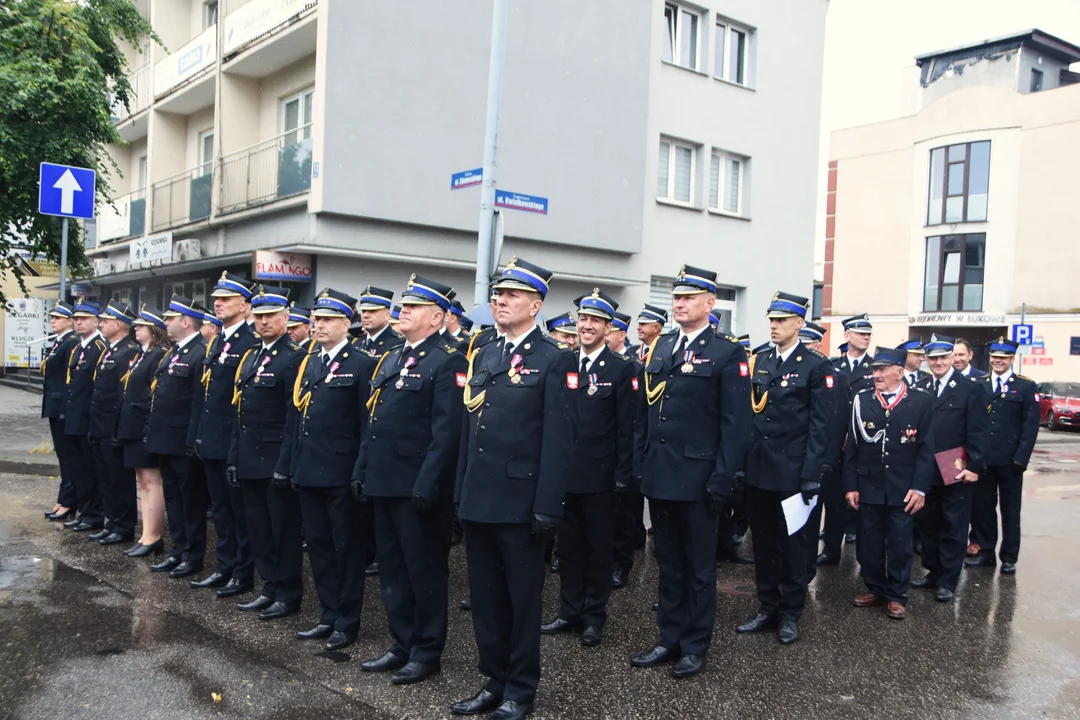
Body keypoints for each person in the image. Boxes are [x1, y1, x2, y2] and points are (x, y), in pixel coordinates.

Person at [452, 257, 576, 720]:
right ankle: (493, 680)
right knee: (485, 599)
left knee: (521, 603)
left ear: (536, 305)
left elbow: (560, 440)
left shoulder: (554, 358)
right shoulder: (485, 353)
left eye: (513, 295)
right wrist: (460, 494)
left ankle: (519, 690)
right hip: (480, 498)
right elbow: (470, 430)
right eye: (498, 294)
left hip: (522, 503)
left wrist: (548, 505)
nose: (500, 301)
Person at [631, 265, 750, 677]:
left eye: (688, 298)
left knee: (699, 569)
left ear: (709, 303)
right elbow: (648, 415)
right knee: (668, 563)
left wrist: (722, 479)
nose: (679, 304)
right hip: (661, 475)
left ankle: (695, 645)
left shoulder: (727, 352)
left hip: (700, 481)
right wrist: (641, 466)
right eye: (676, 298)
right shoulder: (661, 348)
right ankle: (668, 638)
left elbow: (736, 426)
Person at [356, 275, 467, 685]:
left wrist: (428, 484)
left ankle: (425, 651)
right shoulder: (391, 358)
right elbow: (375, 422)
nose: (404, 310)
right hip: (385, 482)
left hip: (419, 489)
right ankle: (400, 643)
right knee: (393, 571)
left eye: (415, 306)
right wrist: (362, 470)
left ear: (437, 317)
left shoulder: (447, 359)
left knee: (424, 572)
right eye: (404, 304)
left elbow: (447, 433)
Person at [736, 292, 833, 645]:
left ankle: (791, 612)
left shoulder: (815, 366)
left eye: (781, 320)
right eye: (771, 320)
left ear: (798, 324)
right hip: (760, 470)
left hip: (793, 473)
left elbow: (821, 425)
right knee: (762, 542)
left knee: (794, 545)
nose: (774, 326)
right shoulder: (761, 361)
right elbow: (751, 416)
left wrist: (812, 472)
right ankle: (767, 606)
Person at [541, 289, 635, 648]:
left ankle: (593, 617)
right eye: (582, 318)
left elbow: (627, 428)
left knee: (598, 551)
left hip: (601, 478)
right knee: (568, 549)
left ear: (608, 327)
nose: (586, 325)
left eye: (595, 320)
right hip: (565, 476)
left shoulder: (621, 369)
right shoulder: (561, 363)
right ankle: (568, 611)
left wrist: (624, 476)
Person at [286, 288, 378, 650]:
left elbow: (364, 423)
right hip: (310, 469)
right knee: (320, 546)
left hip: (340, 471)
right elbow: (299, 419)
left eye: (326, 320)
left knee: (346, 548)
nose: (318, 325)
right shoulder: (311, 362)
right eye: (315, 319)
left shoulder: (361, 363)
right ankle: (327, 613)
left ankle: (347, 620)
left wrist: (359, 470)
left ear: (345, 323)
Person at [226, 286, 307, 617]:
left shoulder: (295, 357)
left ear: (285, 317)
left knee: (283, 531)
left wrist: (285, 464)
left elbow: (294, 416)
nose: (263, 322)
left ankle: (288, 592)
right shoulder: (252, 356)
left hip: (275, 459)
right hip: (249, 457)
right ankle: (269, 585)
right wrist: (233, 457)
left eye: (270, 315)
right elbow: (240, 412)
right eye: (258, 316)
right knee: (258, 528)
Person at [845, 347, 934, 621]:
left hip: (902, 488)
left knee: (900, 545)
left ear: (900, 371)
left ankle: (897, 595)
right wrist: (851, 485)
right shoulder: (862, 401)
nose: (877, 375)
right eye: (875, 370)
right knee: (868, 544)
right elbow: (853, 448)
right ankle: (875, 588)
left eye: (883, 370)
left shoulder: (920, 401)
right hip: (869, 485)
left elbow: (925, 449)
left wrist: (919, 488)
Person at [190, 273, 260, 595]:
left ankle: (242, 574)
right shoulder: (218, 340)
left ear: (244, 305)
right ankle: (224, 566)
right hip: (212, 440)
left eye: (227, 298)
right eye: (216, 298)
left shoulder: (251, 342)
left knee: (239, 514)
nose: (218, 302)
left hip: (234, 442)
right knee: (220, 511)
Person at [910, 335, 987, 602]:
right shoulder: (920, 386)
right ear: (927, 361)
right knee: (928, 524)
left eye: (944, 357)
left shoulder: (970, 387)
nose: (938, 362)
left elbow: (978, 430)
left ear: (953, 358)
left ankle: (948, 581)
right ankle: (933, 572)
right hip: (925, 467)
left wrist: (975, 465)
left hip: (955, 464)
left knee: (953, 525)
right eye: (933, 358)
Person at [145, 295, 209, 578]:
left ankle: (192, 556)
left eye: (170, 318)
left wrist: (191, 440)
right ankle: (178, 550)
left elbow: (198, 401)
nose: (166, 323)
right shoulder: (175, 351)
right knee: (173, 498)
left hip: (183, 441)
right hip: (165, 439)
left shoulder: (200, 352)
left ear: (186, 321)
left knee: (190, 501)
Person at [965, 337, 1039, 575]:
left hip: (1010, 460)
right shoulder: (979, 383)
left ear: (1011, 359)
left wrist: (1021, 459)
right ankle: (986, 552)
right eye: (995, 357)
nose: (997, 361)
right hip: (983, 460)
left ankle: (1009, 556)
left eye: (1003, 358)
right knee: (983, 509)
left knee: (1010, 510)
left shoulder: (1025, 386)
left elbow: (1030, 426)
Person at [116, 306, 171, 557]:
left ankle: (153, 536)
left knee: (151, 481)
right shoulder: (142, 353)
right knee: (142, 479)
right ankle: (146, 533)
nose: (135, 328)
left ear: (154, 329)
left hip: (143, 424)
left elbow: (153, 392)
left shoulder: (158, 354)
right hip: (133, 423)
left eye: (141, 325)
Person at [796, 321, 848, 581]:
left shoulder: (832, 375)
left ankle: (805, 570)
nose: (804, 348)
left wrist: (827, 459)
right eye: (801, 342)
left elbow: (834, 421)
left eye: (809, 343)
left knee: (812, 516)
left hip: (819, 460)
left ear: (818, 345)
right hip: (793, 458)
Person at [86, 301, 141, 546]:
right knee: (105, 477)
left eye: (105, 321)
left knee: (118, 478)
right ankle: (112, 522)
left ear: (118, 324)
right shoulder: (110, 349)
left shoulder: (128, 351)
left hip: (112, 425)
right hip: (99, 424)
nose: (101, 324)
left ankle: (124, 525)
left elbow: (123, 393)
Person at [821, 313, 875, 558]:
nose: (866, 337)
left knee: (861, 501)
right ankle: (831, 550)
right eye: (860, 332)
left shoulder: (875, 368)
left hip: (864, 445)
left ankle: (865, 558)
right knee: (833, 500)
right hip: (836, 445)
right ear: (846, 336)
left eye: (868, 333)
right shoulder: (833, 366)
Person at [61, 301, 108, 532]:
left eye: (84, 319)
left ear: (96, 321)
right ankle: (84, 510)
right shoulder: (79, 347)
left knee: (90, 470)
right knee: (79, 468)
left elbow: (97, 387)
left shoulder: (99, 346)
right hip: (75, 416)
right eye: (76, 318)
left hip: (88, 417)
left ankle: (94, 513)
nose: (78, 322)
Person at [42, 301, 81, 521]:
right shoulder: (60, 343)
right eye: (52, 317)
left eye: (58, 318)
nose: (53, 321)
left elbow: (69, 380)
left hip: (62, 406)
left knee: (68, 456)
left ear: (69, 321)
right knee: (63, 455)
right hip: (54, 405)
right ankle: (63, 499)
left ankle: (68, 501)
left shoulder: (70, 343)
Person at [356, 285, 404, 357]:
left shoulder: (398, 343)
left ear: (387, 315)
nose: (365, 315)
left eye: (372, 311)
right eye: (363, 311)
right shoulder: (357, 342)